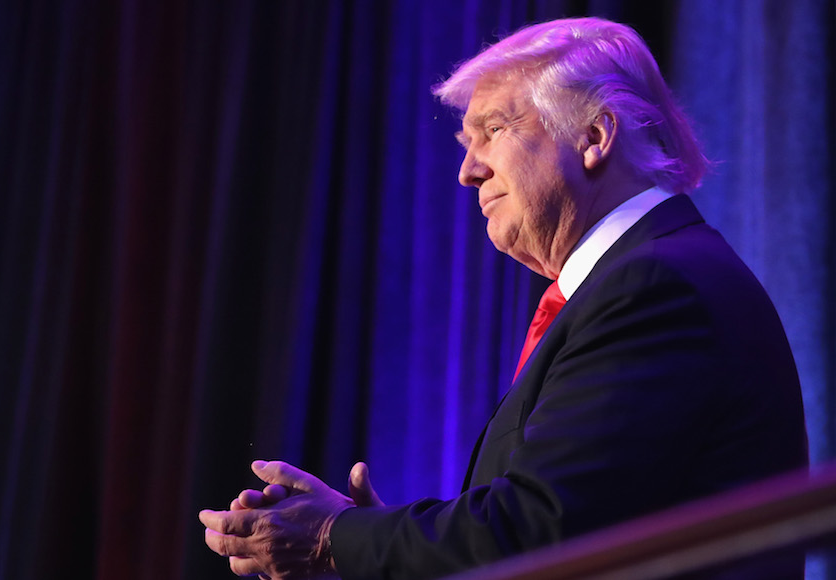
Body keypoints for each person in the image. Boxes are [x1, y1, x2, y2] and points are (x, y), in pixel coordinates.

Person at [200, 17, 808, 579]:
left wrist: (338, 536)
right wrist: (371, 544)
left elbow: (538, 530)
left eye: (494, 130)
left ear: (595, 136)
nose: (468, 171)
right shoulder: (639, 279)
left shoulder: (654, 287)